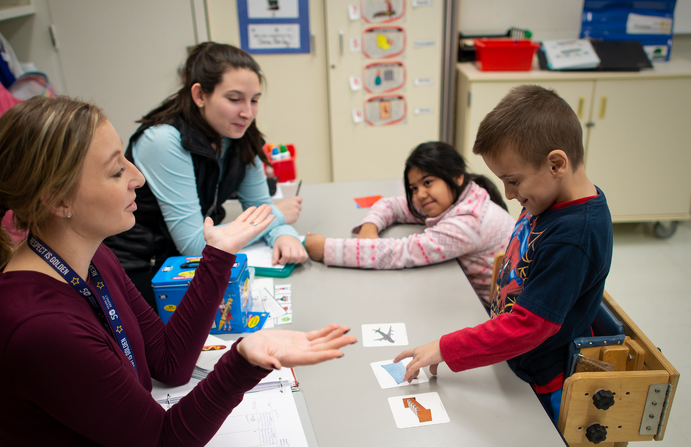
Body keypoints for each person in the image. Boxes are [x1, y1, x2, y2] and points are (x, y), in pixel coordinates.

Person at [0, 96, 355, 447]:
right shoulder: (37, 328)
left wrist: (218, 256)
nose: (139, 177)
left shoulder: (92, 258)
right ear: (57, 200)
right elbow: (166, 446)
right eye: (116, 171)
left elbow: (169, 363)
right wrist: (245, 360)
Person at [396, 85, 613, 425]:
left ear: (556, 164)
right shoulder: (547, 197)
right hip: (508, 356)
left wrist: (447, 348)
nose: (509, 194)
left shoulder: (575, 236)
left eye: (513, 181)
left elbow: (530, 326)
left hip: (537, 379)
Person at [104, 42, 307, 310]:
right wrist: (278, 215)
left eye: (254, 100)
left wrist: (282, 234)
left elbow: (260, 208)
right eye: (235, 99)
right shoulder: (163, 140)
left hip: (182, 262)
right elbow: (195, 245)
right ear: (200, 95)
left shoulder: (238, 134)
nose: (248, 112)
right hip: (143, 270)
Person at [303, 141, 515, 307]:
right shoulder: (463, 197)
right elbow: (393, 205)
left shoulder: (468, 223)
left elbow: (402, 252)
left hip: (488, 313)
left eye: (428, 182)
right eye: (414, 188)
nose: (420, 194)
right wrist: (370, 226)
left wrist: (326, 249)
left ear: (457, 177)